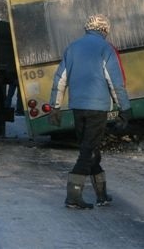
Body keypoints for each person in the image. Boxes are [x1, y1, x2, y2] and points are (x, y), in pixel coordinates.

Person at [49, 14, 132, 209]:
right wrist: (125, 109)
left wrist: (55, 106)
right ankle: (73, 196)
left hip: (77, 108)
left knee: (91, 149)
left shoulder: (72, 48)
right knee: (87, 151)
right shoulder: (106, 49)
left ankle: (101, 194)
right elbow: (115, 83)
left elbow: (60, 79)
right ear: (104, 30)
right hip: (97, 109)